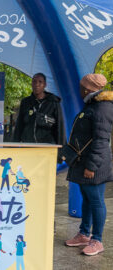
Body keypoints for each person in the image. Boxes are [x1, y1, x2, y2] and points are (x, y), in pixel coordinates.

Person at [64, 73, 113, 256]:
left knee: (96, 201)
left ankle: (97, 240)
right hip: (84, 160)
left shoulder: (102, 108)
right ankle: (84, 234)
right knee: (87, 198)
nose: (79, 89)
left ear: (87, 88)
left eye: (81, 86)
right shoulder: (92, 105)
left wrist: (91, 166)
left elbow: (101, 141)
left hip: (95, 165)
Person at [13, 73, 65, 144]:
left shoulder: (53, 103)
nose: (37, 84)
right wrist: (13, 145)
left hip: (47, 147)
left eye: (40, 82)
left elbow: (59, 128)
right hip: (28, 147)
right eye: (34, 81)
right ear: (31, 84)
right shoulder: (25, 102)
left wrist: (61, 150)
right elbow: (19, 126)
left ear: (45, 85)